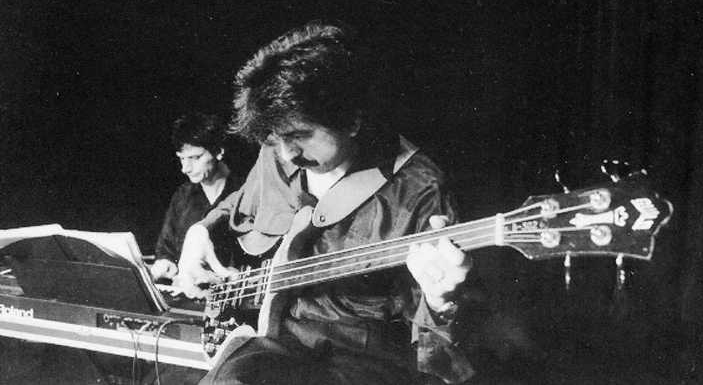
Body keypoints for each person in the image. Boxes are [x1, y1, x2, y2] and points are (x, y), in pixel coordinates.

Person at [177, 22, 476, 384]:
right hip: (276, 339)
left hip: (364, 358)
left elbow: (437, 355)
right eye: (274, 138)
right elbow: (241, 204)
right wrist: (201, 231)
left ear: (351, 120)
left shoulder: (420, 189)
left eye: (299, 135)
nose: (286, 154)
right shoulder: (276, 154)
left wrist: (441, 301)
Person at [149, 112, 243, 282]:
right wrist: (165, 263)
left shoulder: (246, 190)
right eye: (182, 159)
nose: (185, 168)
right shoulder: (182, 196)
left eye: (194, 158)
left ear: (218, 151)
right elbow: (166, 250)